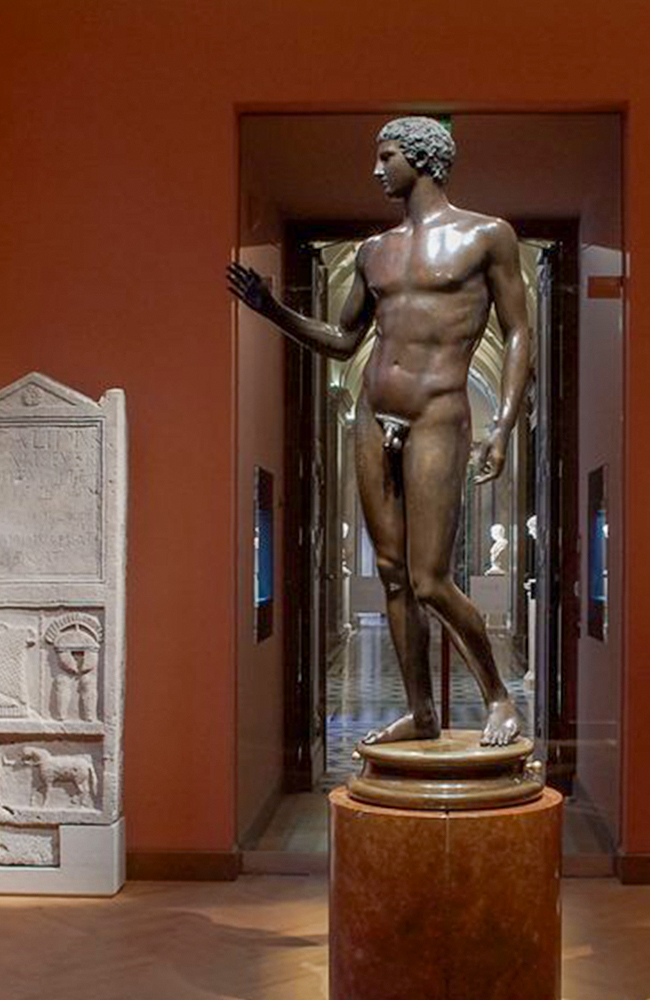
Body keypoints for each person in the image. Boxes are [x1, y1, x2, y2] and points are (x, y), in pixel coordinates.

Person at [227, 116, 532, 746]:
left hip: (439, 411)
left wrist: (502, 425)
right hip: (373, 413)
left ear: (422, 158)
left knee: (429, 578)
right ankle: (422, 712)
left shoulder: (487, 236)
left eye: (386, 156)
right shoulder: (373, 252)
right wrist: (271, 309)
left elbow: (518, 332)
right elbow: (344, 342)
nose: (376, 169)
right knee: (392, 572)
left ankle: (499, 698)